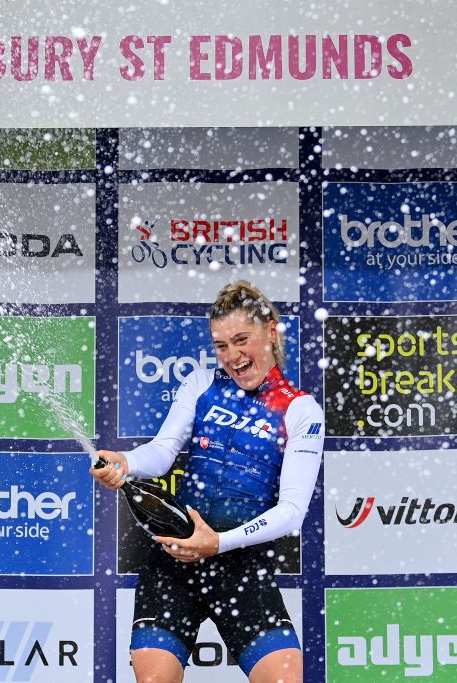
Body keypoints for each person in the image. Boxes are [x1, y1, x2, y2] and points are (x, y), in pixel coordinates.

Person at [91, 280, 325, 683]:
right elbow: (163, 453)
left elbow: (291, 514)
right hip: (175, 561)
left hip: (241, 568)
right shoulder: (201, 384)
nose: (232, 356)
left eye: (241, 340)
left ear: (271, 331)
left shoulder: (301, 410)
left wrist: (217, 543)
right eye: (221, 345)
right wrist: (125, 462)